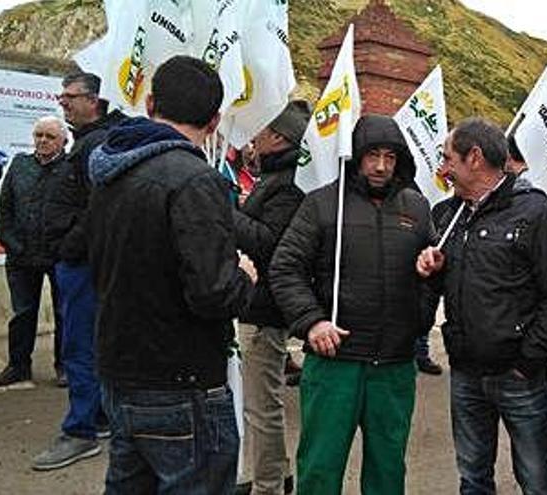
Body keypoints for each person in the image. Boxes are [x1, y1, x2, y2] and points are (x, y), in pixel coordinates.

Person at [86, 55, 256, 493]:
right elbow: (213, 293)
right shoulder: (197, 181)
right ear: (216, 119)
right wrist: (244, 276)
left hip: (120, 373)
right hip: (182, 382)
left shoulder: (109, 172)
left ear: (149, 103)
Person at [268, 114, 434, 494]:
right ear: (355, 156)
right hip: (334, 364)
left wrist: (421, 313)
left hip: (393, 365)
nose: (380, 166)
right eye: (372, 155)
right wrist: (311, 322)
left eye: (390, 157)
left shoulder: (417, 208)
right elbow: (285, 267)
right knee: (320, 468)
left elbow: (433, 268)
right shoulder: (322, 205)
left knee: (388, 468)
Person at [416, 118, 547, 494]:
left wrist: (529, 359)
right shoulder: (447, 214)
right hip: (466, 372)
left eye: (447, 159)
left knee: (536, 479)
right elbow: (447, 287)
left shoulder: (538, 214)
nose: (442, 170)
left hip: (518, 376)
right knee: (473, 477)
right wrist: (432, 270)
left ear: (474, 157)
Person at [31, 72, 126, 470]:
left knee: (79, 347)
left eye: (70, 97)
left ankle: (80, 431)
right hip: (81, 262)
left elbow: (98, 211)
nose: (63, 102)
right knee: (90, 344)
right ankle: (99, 416)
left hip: (83, 265)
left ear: (95, 101)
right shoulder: (91, 141)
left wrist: (70, 246)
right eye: (61, 96)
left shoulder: (98, 145)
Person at [233, 99, 311, 495]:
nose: (253, 138)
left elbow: (269, 243)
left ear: (279, 138)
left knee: (262, 406)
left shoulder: (288, 184)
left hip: (264, 309)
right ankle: (273, 474)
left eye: (261, 130)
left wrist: (229, 212)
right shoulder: (277, 177)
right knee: (263, 404)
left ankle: (268, 486)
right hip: (260, 305)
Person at [0, 116, 67, 389]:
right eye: (39, 135)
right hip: (21, 256)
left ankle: (64, 366)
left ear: (63, 141)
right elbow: (6, 208)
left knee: (63, 313)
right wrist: (10, 242)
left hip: (58, 256)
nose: (43, 141)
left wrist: (67, 246)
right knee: (22, 313)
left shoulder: (71, 168)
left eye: (50, 137)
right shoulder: (20, 165)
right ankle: (18, 366)